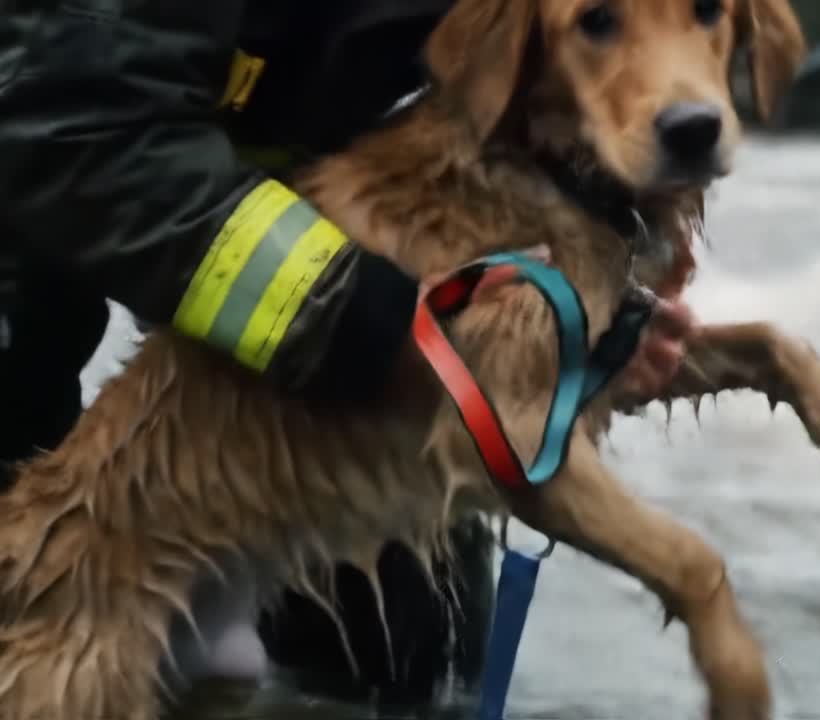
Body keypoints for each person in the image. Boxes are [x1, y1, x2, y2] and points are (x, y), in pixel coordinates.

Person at [0, 0, 693, 708]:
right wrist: (378, 326)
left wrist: (607, 291)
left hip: (298, 206)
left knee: (407, 665)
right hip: (47, 170)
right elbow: (75, 130)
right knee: (35, 589)